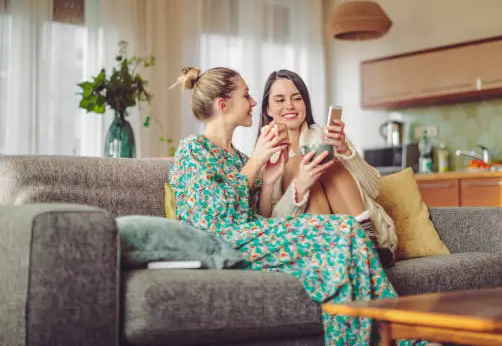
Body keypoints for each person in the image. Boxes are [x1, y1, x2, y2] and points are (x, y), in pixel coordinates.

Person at [168, 66, 432, 346]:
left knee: (348, 234)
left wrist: (268, 182)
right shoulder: (193, 149)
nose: (254, 103)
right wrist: (257, 163)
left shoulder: (236, 157)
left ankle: (406, 338)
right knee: (343, 230)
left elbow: (260, 216)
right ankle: (408, 340)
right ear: (223, 104)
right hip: (221, 244)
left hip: (253, 237)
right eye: (246, 95)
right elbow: (213, 216)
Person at [257, 69, 397, 267]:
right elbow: (268, 223)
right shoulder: (262, 154)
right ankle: (334, 248)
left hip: (362, 232)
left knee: (322, 157)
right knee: (302, 164)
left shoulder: (327, 136)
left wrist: (345, 150)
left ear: (305, 103)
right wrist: (299, 188)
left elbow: (375, 189)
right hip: (310, 239)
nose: (289, 106)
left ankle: (367, 246)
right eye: (279, 100)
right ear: (268, 109)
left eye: (297, 98)